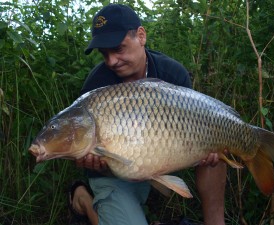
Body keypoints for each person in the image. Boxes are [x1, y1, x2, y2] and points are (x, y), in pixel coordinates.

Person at [69, 4, 227, 225]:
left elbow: (195, 127)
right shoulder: (97, 85)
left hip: (162, 162)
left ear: (141, 36)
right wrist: (98, 163)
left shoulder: (172, 73)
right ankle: (85, 198)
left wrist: (205, 149)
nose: (111, 61)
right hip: (114, 175)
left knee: (217, 148)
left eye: (118, 49)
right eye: (104, 54)